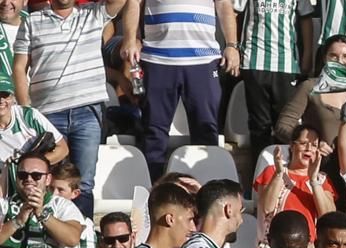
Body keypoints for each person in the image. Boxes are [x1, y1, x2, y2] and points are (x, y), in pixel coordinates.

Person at [12, 0, 127, 218]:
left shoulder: (93, 14)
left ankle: (82, 240)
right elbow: (19, 67)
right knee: (45, 179)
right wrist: (27, 110)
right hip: (47, 114)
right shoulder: (32, 22)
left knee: (82, 183)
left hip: (87, 111)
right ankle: (47, 236)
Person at [119, 0, 240, 178]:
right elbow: (134, 2)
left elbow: (224, 5)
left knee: (206, 130)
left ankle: (208, 193)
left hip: (203, 60)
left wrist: (231, 45)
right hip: (158, 58)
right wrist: (130, 39)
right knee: (153, 132)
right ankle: (153, 194)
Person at [237, 0, 315, 157]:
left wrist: (307, 55)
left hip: (286, 64)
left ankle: (286, 175)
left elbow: (306, 19)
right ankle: (260, 175)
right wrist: (233, 47)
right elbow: (234, 12)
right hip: (255, 61)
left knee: (285, 126)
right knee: (259, 126)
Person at [275, 35, 346, 145]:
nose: (339, 62)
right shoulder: (309, 87)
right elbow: (283, 127)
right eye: (333, 56)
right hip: (318, 159)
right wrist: (310, 144)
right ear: (324, 58)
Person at [254, 124, 338, 243]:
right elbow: (266, 208)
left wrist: (314, 181)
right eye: (304, 143)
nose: (309, 148)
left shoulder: (322, 180)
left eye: (314, 145)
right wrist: (279, 174)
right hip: (276, 247)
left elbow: (329, 217)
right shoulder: (272, 171)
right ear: (292, 146)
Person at [0, 71, 67, 168]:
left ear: (13, 97)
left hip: (38, 177)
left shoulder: (29, 115)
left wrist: (30, 165)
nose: (1, 101)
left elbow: (62, 149)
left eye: (5, 95)